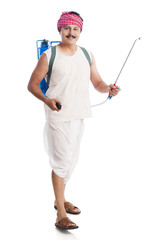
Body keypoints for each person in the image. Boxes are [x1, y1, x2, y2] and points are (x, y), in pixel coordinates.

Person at [28, 11, 120, 230]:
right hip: (58, 115)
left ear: (80, 31)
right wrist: (47, 100)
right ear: (60, 30)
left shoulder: (87, 54)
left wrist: (109, 89)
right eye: (67, 28)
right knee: (60, 164)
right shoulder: (49, 55)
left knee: (70, 164)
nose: (71, 32)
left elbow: (97, 82)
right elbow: (32, 85)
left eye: (75, 29)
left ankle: (59, 199)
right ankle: (60, 214)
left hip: (79, 114)